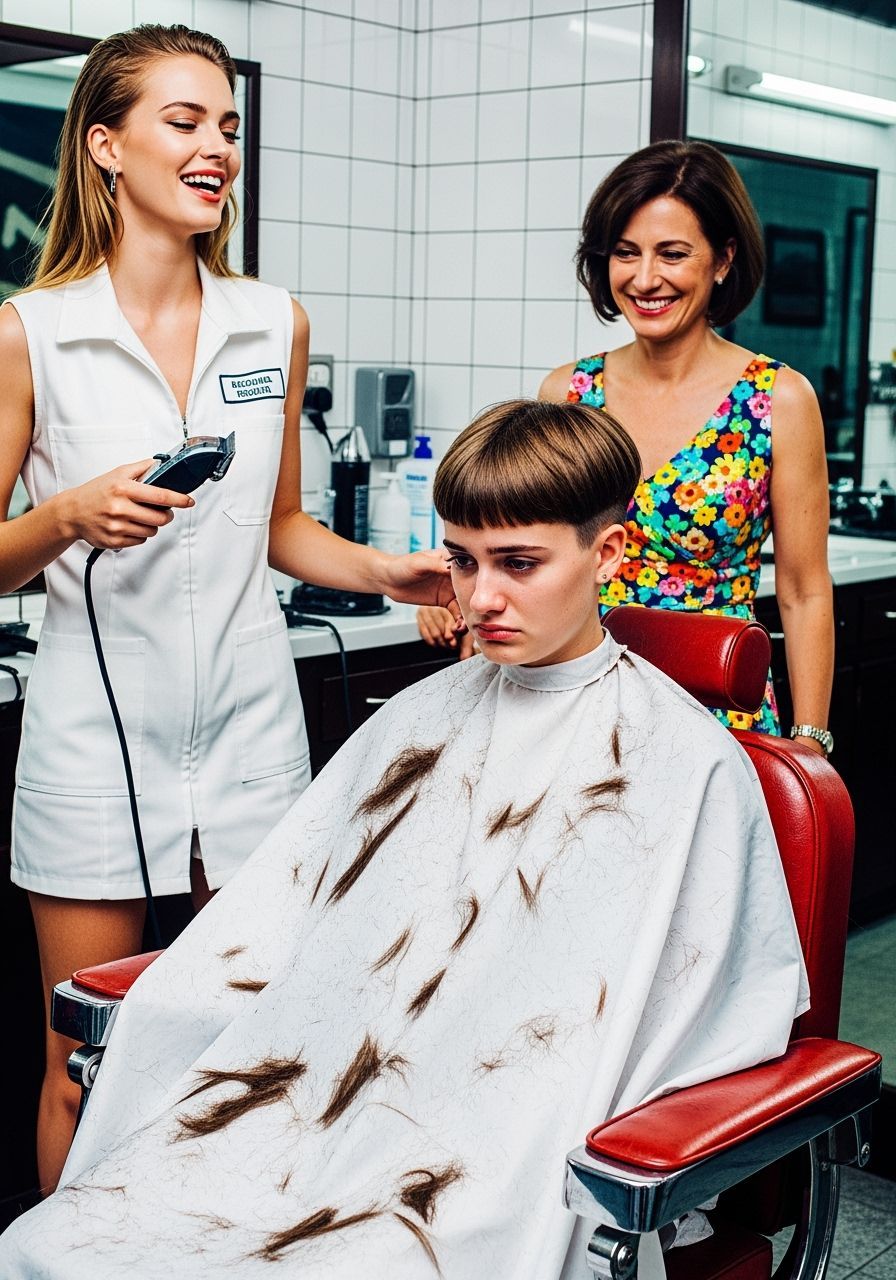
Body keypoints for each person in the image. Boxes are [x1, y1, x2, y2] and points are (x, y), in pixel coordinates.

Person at [0, 399, 809, 1280]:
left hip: (492, 1149)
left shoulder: (687, 761)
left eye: (519, 563)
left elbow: (704, 1018)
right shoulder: (424, 719)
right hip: (316, 1109)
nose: (481, 598)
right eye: (462, 560)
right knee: (69, 1243)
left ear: (606, 552)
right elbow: (290, 927)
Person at [0, 23, 455, 1193]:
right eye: (185, 121)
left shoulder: (272, 320)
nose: (218, 149)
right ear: (104, 145)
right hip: (93, 739)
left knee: (248, 1042)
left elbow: (280, 528)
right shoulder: (29, 332)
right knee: (81, 1060)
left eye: (230, 126)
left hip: (251, 731)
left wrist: (384, 570)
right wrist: (66, 518)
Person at [540, 139, 834, 746]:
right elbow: (527, 550)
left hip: (717, 712)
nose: (645, 279)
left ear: (722, 259)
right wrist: (454, 593)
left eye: (672, 254)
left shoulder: (778, 399)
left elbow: (804, 590)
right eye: (626, 253)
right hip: (579, 702)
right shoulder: (568, 392)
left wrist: (809, 741)